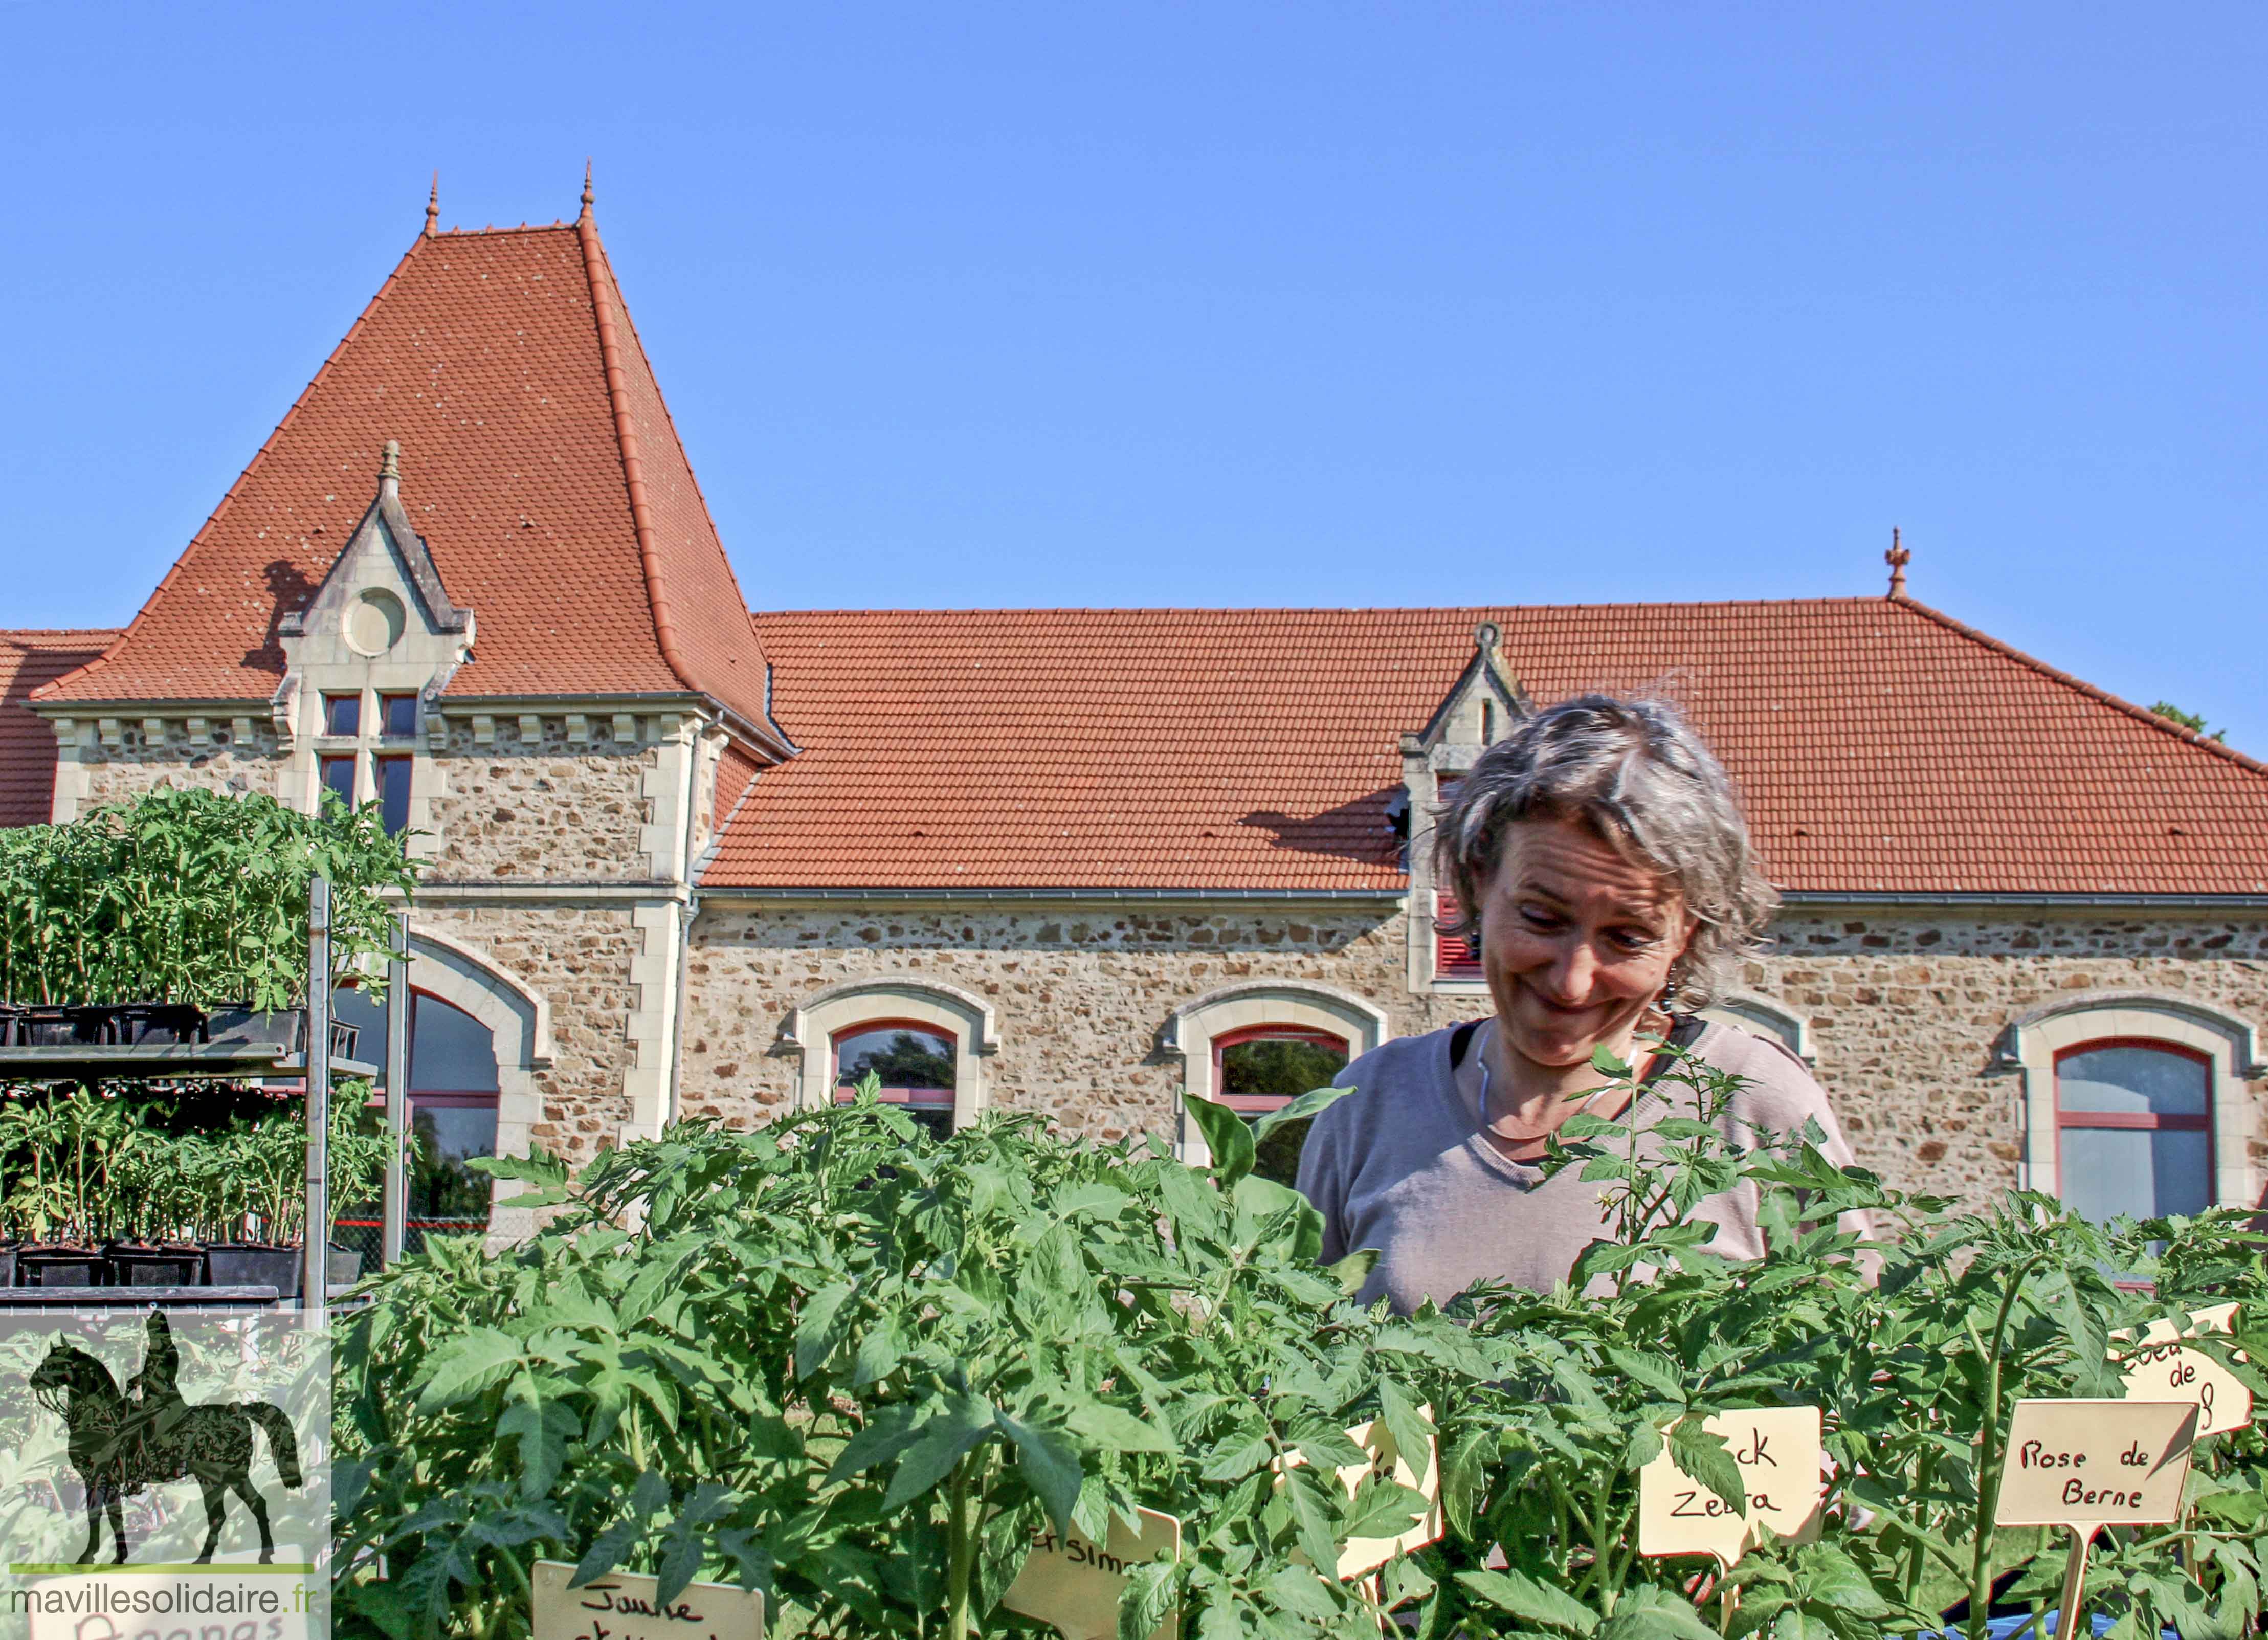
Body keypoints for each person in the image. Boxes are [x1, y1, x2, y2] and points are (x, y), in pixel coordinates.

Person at [1296, 694, 1861, 1313]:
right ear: (1479, 881)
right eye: (1542, 917)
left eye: (1628, 936)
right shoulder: (1368, 1103)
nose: (1572, 981)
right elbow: (1296, 1363)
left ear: (1688, 933)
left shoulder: (1755, 1106)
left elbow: (1858, 1373)